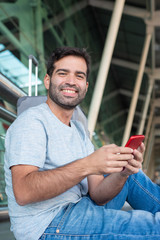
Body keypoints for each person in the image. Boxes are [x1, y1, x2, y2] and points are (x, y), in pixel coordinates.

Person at [4, 46, 160, 240]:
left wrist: (123, 173)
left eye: (79, 76)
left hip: (80, 207)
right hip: (49, 224)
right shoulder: (31, 122)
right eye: (63, 73)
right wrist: (88, 164)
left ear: (86, 86)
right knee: (153, 228)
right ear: (47, 80)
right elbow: (24, 192)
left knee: (131, 174)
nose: (71, 81)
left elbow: (98, 195)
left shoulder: (78, 131)